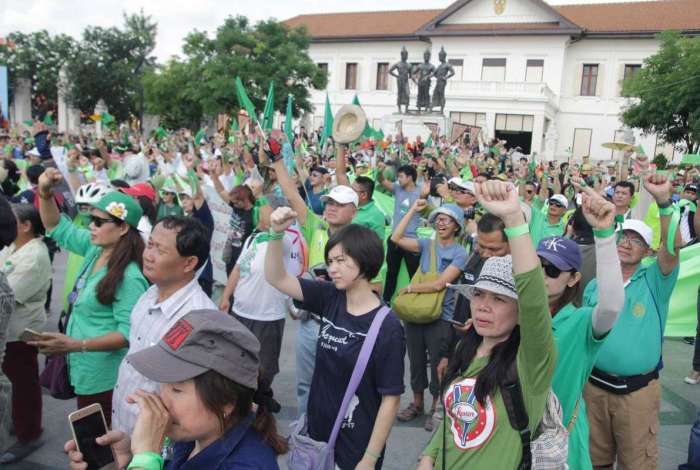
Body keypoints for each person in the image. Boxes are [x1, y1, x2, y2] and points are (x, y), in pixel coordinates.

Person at [418, 180, 555, 469]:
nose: (483, 305)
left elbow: (533, 297)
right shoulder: (467, 349)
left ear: (520, 313)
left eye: (500, 299)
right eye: (479, 294)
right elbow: (452, 420)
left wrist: (514, 219)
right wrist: (428, 456)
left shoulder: (531, 362)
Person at [65, 309, 286, 470]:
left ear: (226, 401)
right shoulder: (194, 435)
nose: (162, 401)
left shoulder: (247, 465)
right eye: (164, 385)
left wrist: (145, 459)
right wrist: (128, 458)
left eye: (177, 390)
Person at [265, 215, 404, 470]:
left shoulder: (388, 327)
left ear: (365, 260)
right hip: (316, 436)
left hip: (355, 446)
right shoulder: (330, 296)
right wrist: (275, 234)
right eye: (330, 261)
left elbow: (391, 399)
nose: (332, 269)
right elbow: (277, 278)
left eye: (341, 260)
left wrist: (370, 459)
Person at [32, 168, 148, 424]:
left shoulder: (129, 276)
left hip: (104, 377)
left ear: (122, 229)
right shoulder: (95, 250)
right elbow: (55, 225)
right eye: (89, 220)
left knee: (99, 445)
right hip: (83, 369)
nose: (90, 226)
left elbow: (129, 334)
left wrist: (76, 345)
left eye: (98, 221)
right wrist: (45, 192)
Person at [583, 173, 681, 470]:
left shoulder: (655, 281)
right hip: (593, 390)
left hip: (636, 396)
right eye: (623, 236)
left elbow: (672, 248)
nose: (626, 243)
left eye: (636, 240)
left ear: (648, 252)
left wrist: (664, 202)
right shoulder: (595, 284)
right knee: (592, 461)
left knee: (636, 464)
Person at [537, 182, 625, 470]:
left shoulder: (579, 322)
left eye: (551, 270)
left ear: (573, 279)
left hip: (558, 443)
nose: (542, 275)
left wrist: (604, 234)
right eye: (536, 265)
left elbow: (610, 306)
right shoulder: (514, 314)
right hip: (509, 437)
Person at [111, 215, 216, 436]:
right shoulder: (148, 294)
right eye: (150, 244)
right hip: (122, 426)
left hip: (157, 442)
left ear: (189, 263)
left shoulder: (199, 318)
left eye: (160, 250)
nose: (148, 255)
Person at [391, 202, 467, 432]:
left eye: (447, 219)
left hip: (440, 316)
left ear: (457, 226)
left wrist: (411, 290)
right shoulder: (426, 244)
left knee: (438, 364)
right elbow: (396, 238)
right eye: (438, 218)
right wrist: (413, 210)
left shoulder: (460, 253)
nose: (441, 222)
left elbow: (440, 284)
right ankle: (416, 403)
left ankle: (435, 406)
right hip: (416, 313)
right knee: (414, 360)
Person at [219, 215, 306, 413]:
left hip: (268, 316)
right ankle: (246, 400)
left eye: (267, 209)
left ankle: (260, 398)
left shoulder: (285, 241)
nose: (261, 214)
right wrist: (226, 296)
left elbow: (292, 271)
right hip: (241, 311)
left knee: (265, 366)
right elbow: (239, 268)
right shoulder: (253, 238)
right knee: (238, 359)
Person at [0, 204, 49, 463]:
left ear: (27, 225)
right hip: (8, 331)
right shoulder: (13, 246)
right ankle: (16, 423)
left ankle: (29, 434)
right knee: (11, 381)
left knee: (23, 384)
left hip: (20, 332)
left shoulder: (35, 255)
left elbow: (12, 291)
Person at [378, 164, 422, 303]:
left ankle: (416, 303)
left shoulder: (420, 192)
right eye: (398, 177)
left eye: (401, 177)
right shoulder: (397, 189)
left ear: (410, 177)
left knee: (414, 275)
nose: (398, 180)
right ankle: (385, 301)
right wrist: (380, 169)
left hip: (410, 241)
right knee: (392, 272)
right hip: (394, 239)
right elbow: (381, 180)